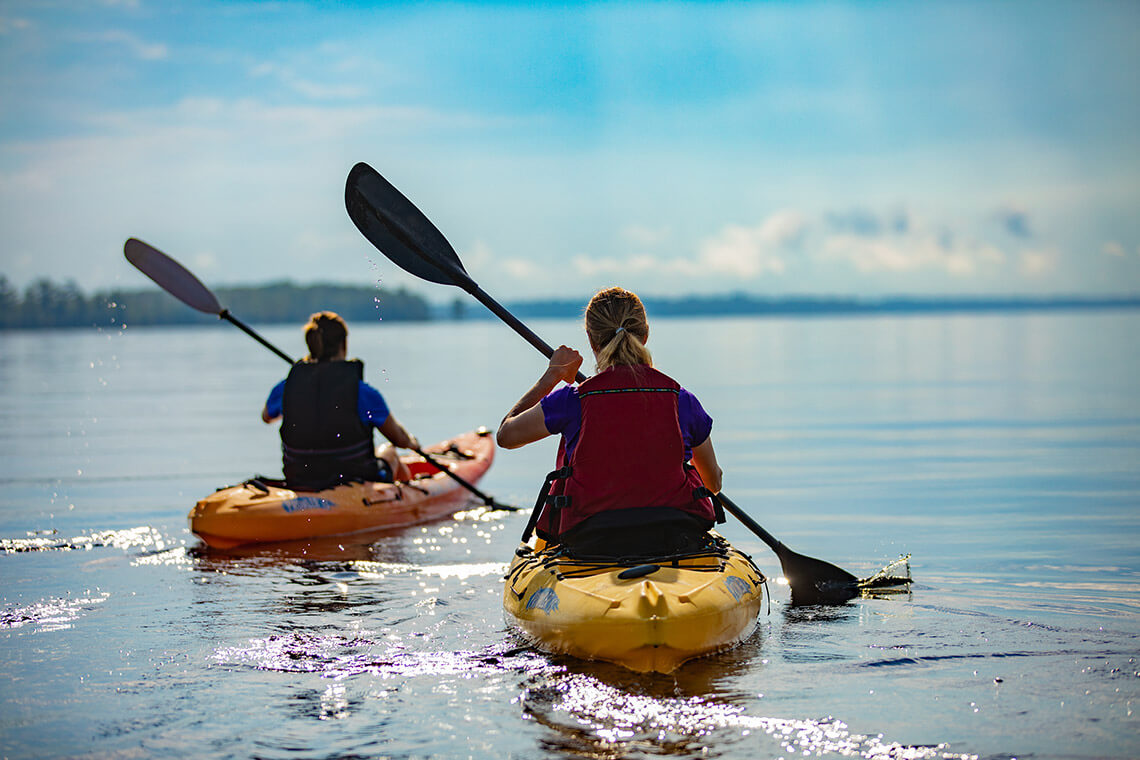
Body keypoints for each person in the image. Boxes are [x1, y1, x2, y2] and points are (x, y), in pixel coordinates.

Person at [496, 286, 723, 558]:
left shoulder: (571, 400)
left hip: (589, 539)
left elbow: (505, 436)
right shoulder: (681, 400)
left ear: (591, 340)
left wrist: (552, 376)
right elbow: (712, 483)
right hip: (674, 536)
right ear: (645, 335)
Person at [261, 311, 418, 490]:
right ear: (344, 344)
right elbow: (398, 439)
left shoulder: (286, 387)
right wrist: (412, 442)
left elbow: (267, 416)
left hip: (301, 477)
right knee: (390, 451)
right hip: (355, 479)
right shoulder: (363, 392)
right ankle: (411, 498)